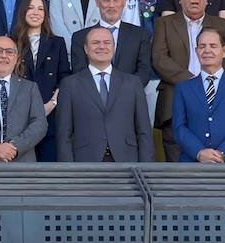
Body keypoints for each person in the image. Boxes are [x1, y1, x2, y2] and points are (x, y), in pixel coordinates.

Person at [151, 0, 225, 162]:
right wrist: (193, 82)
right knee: (177, 171)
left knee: (214, 167)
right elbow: (159, 59)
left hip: (216, 101)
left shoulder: (222, 25)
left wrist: (208, 80)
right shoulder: (164, 24)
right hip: (175, 100)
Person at [55, 26, 155, 163]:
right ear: (85, 49)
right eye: (95, 42)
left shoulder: (133, 83)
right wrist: (69, 173)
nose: (102, 46)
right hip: (85, 164)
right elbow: (63, 134)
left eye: (107, 42)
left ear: (114, 48)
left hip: (127, 163)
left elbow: (144, 131)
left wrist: (146, 168)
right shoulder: (70, 84)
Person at [172, 27, 225, 164]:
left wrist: (223, 153)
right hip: (194, 165)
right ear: (196, 51)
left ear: (224, 51)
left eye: (213, 46)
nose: (207, 50)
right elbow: (179, 127)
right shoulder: (183, 88)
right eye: (202, 46)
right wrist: (199, 152)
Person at [11, 0, 70, 161]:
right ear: (23, 12)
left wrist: (51, 104)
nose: (36, 12)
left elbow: (64, 77)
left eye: (40, 9)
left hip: (50, 116)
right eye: (30, 8)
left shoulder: (57, 42)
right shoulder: (12, 41)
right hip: (19, 117)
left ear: (45, 14)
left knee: (48, 169)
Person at [68, 0, 153, 82]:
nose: (111, 5)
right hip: (91, 96)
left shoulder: (140, 35)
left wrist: (124, 92)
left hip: (128, 96)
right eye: (106, 0)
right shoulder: (80, 37)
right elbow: (79, 73)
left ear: (124, 1)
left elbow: (144, 72)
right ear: (97, 2)